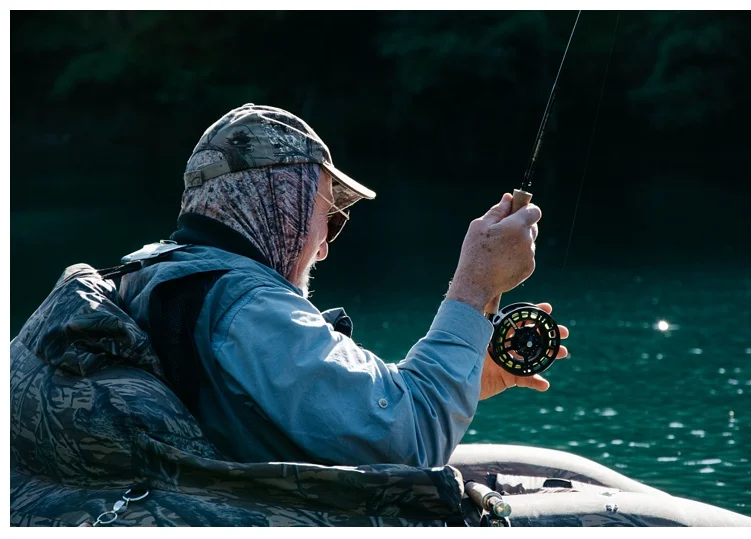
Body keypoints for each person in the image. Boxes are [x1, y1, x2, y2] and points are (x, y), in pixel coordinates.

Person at [117, 103, 570, 468]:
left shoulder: (151, 274)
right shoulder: (246, 310)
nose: (325, 248)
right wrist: (474, 286)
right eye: (328, 218)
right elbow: (412, 442)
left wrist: (469, 369)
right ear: (283, 204)